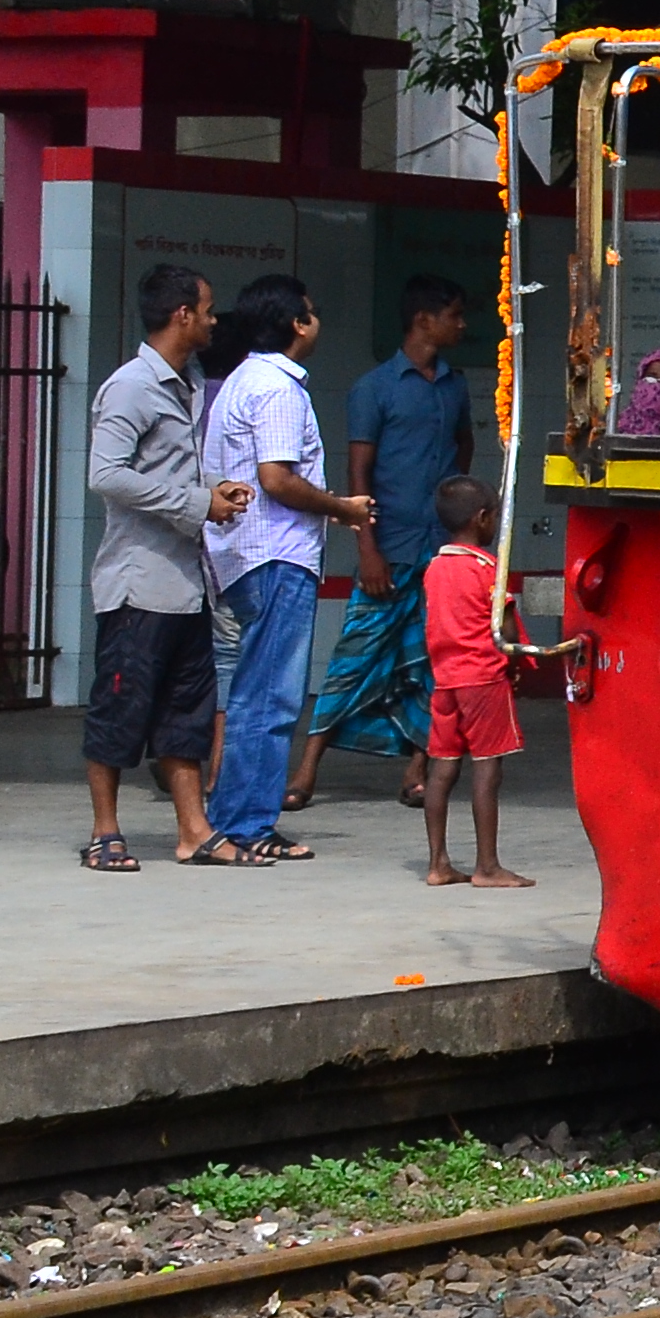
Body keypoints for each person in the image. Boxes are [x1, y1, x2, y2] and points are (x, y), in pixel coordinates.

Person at [79, 263, 253, 869]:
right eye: (206, 310)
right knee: (119, 711)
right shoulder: (131, 387)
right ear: (183, 315)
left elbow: (169, 472)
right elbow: (106, 474)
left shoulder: (185, 383)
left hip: (183, 586)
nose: (212, 320)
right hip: (137, 586)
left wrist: (215, 489)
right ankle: (105, 832)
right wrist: (194, 502)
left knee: (186, 717)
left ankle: (193, 831)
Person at [289, 276, 480, 820]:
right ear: (425, 320)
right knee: (354, 656)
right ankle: (306, 770)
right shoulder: (374, 387)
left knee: (432, 662)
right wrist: (366, 547)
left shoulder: (453, 386)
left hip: (439, 547)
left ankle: (416, 772)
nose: (461, 326)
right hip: (389, 544)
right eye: (455, 315)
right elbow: (358, 472)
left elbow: (462, 445)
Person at [194, 274, 369, 866]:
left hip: (249, 553)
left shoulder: (245, 379)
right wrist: (340, 507)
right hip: (275, 552)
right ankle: (246, 823)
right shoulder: (276, 387)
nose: (317, 322)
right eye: (312, 313)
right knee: (269, 697)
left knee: (255, 691)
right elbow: (277, 478)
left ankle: (240, 816)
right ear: (297, 323)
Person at [416, 473, 557, 889]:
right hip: (482, 678)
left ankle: (438, 862)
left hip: (445, 680)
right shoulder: (488, 568)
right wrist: (517, 664)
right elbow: (507, 630)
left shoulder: (435, 568)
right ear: (482, 518)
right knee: (486, 768)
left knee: (441, 769)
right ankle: (487, 865)